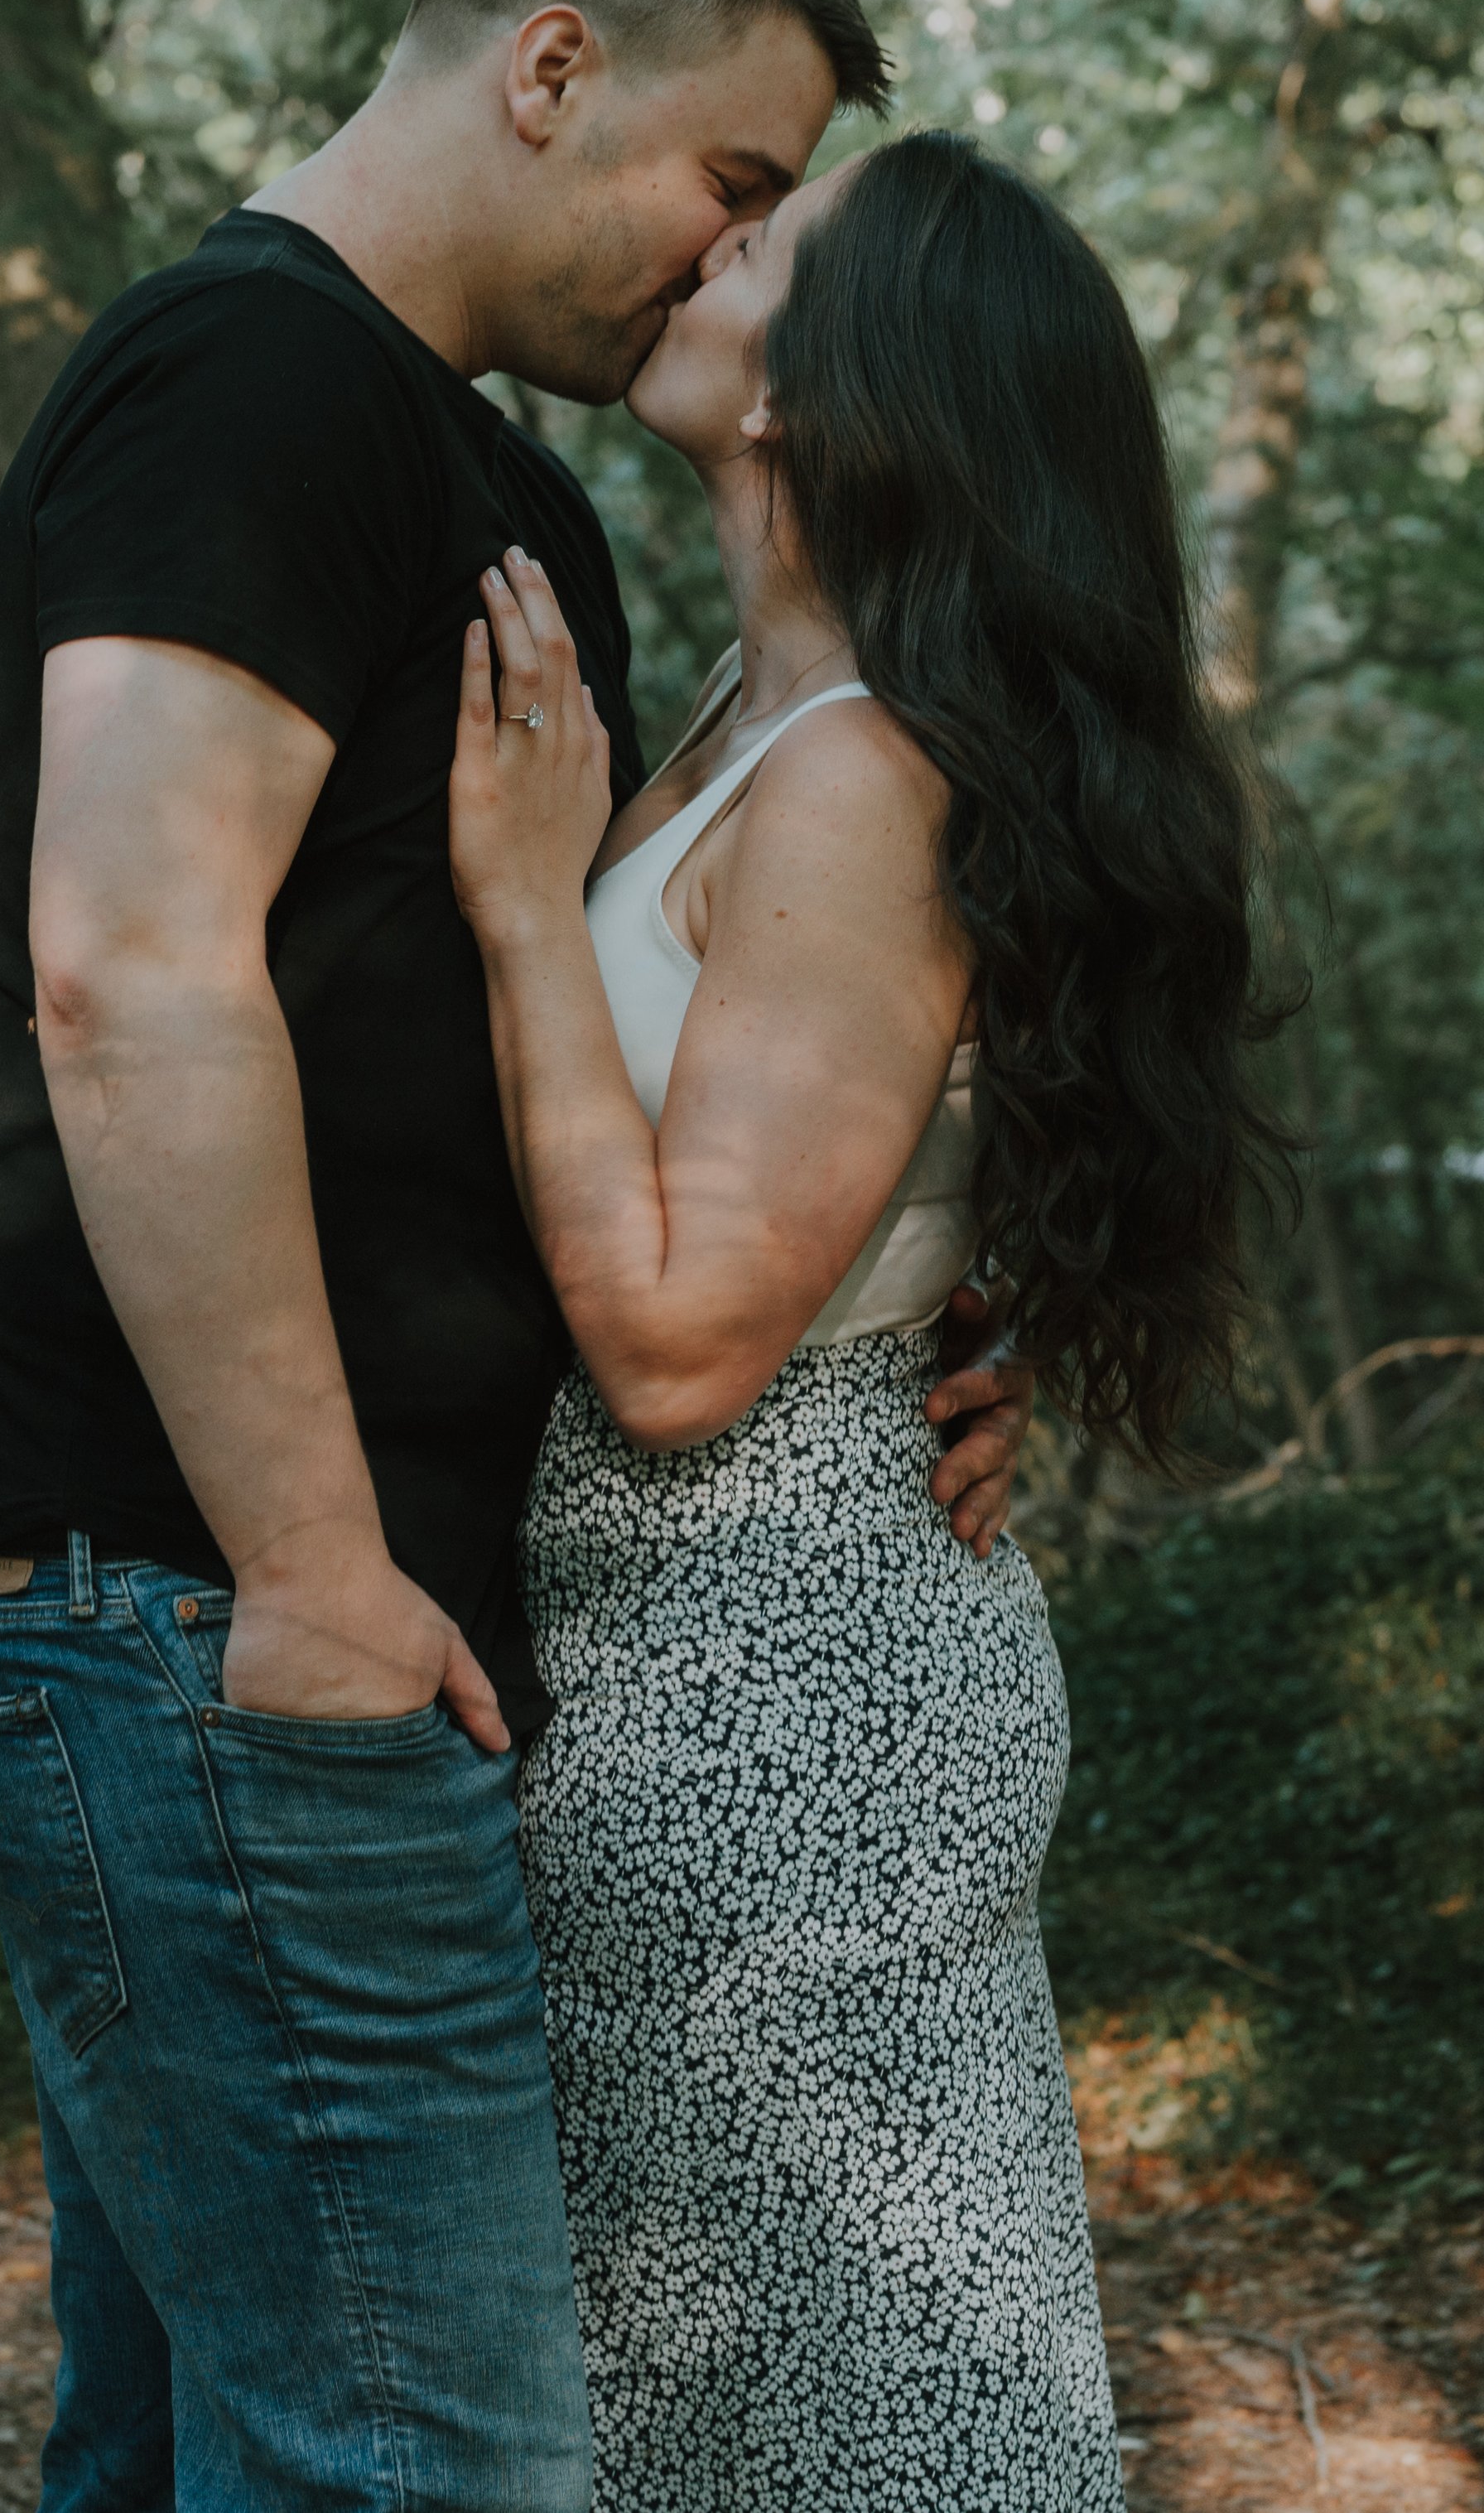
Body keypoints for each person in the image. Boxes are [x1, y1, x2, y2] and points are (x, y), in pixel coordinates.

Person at [0, 0, 1032, 2512]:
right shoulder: (250, 380)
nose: (726, 263)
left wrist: (928, 1294)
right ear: (546, 70)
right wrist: (299, 1567)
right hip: (197, 1596)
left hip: (282, 1618)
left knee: (199, 2455)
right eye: (733, 185)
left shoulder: (499, 493)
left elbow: (630, 1047)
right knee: (437, 2467)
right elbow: (128, 971)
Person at [447, 131, 1288, 2508]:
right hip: (700, 1672)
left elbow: (685, 1344)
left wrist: (522, 909)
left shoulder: (851, 784)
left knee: (849, 2435)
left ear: (849, 385)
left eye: (768, 245)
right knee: (747, 2427)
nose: (710, 244)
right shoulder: (756, 717)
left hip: (774, 1713)